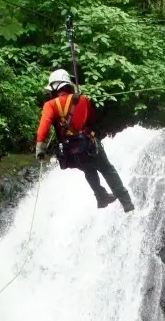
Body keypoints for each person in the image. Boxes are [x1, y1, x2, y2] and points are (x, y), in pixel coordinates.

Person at [35, 69, 135, 213]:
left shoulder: (50, 105)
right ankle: (126, 202)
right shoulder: (82, 99)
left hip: (71, 152)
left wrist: (40, 149)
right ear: (67, 85)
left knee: (88, 169)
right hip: (88, 145)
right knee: (107, 169)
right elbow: (92, 121)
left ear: (54, 89)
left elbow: (43, 129)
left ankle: (101, 197)